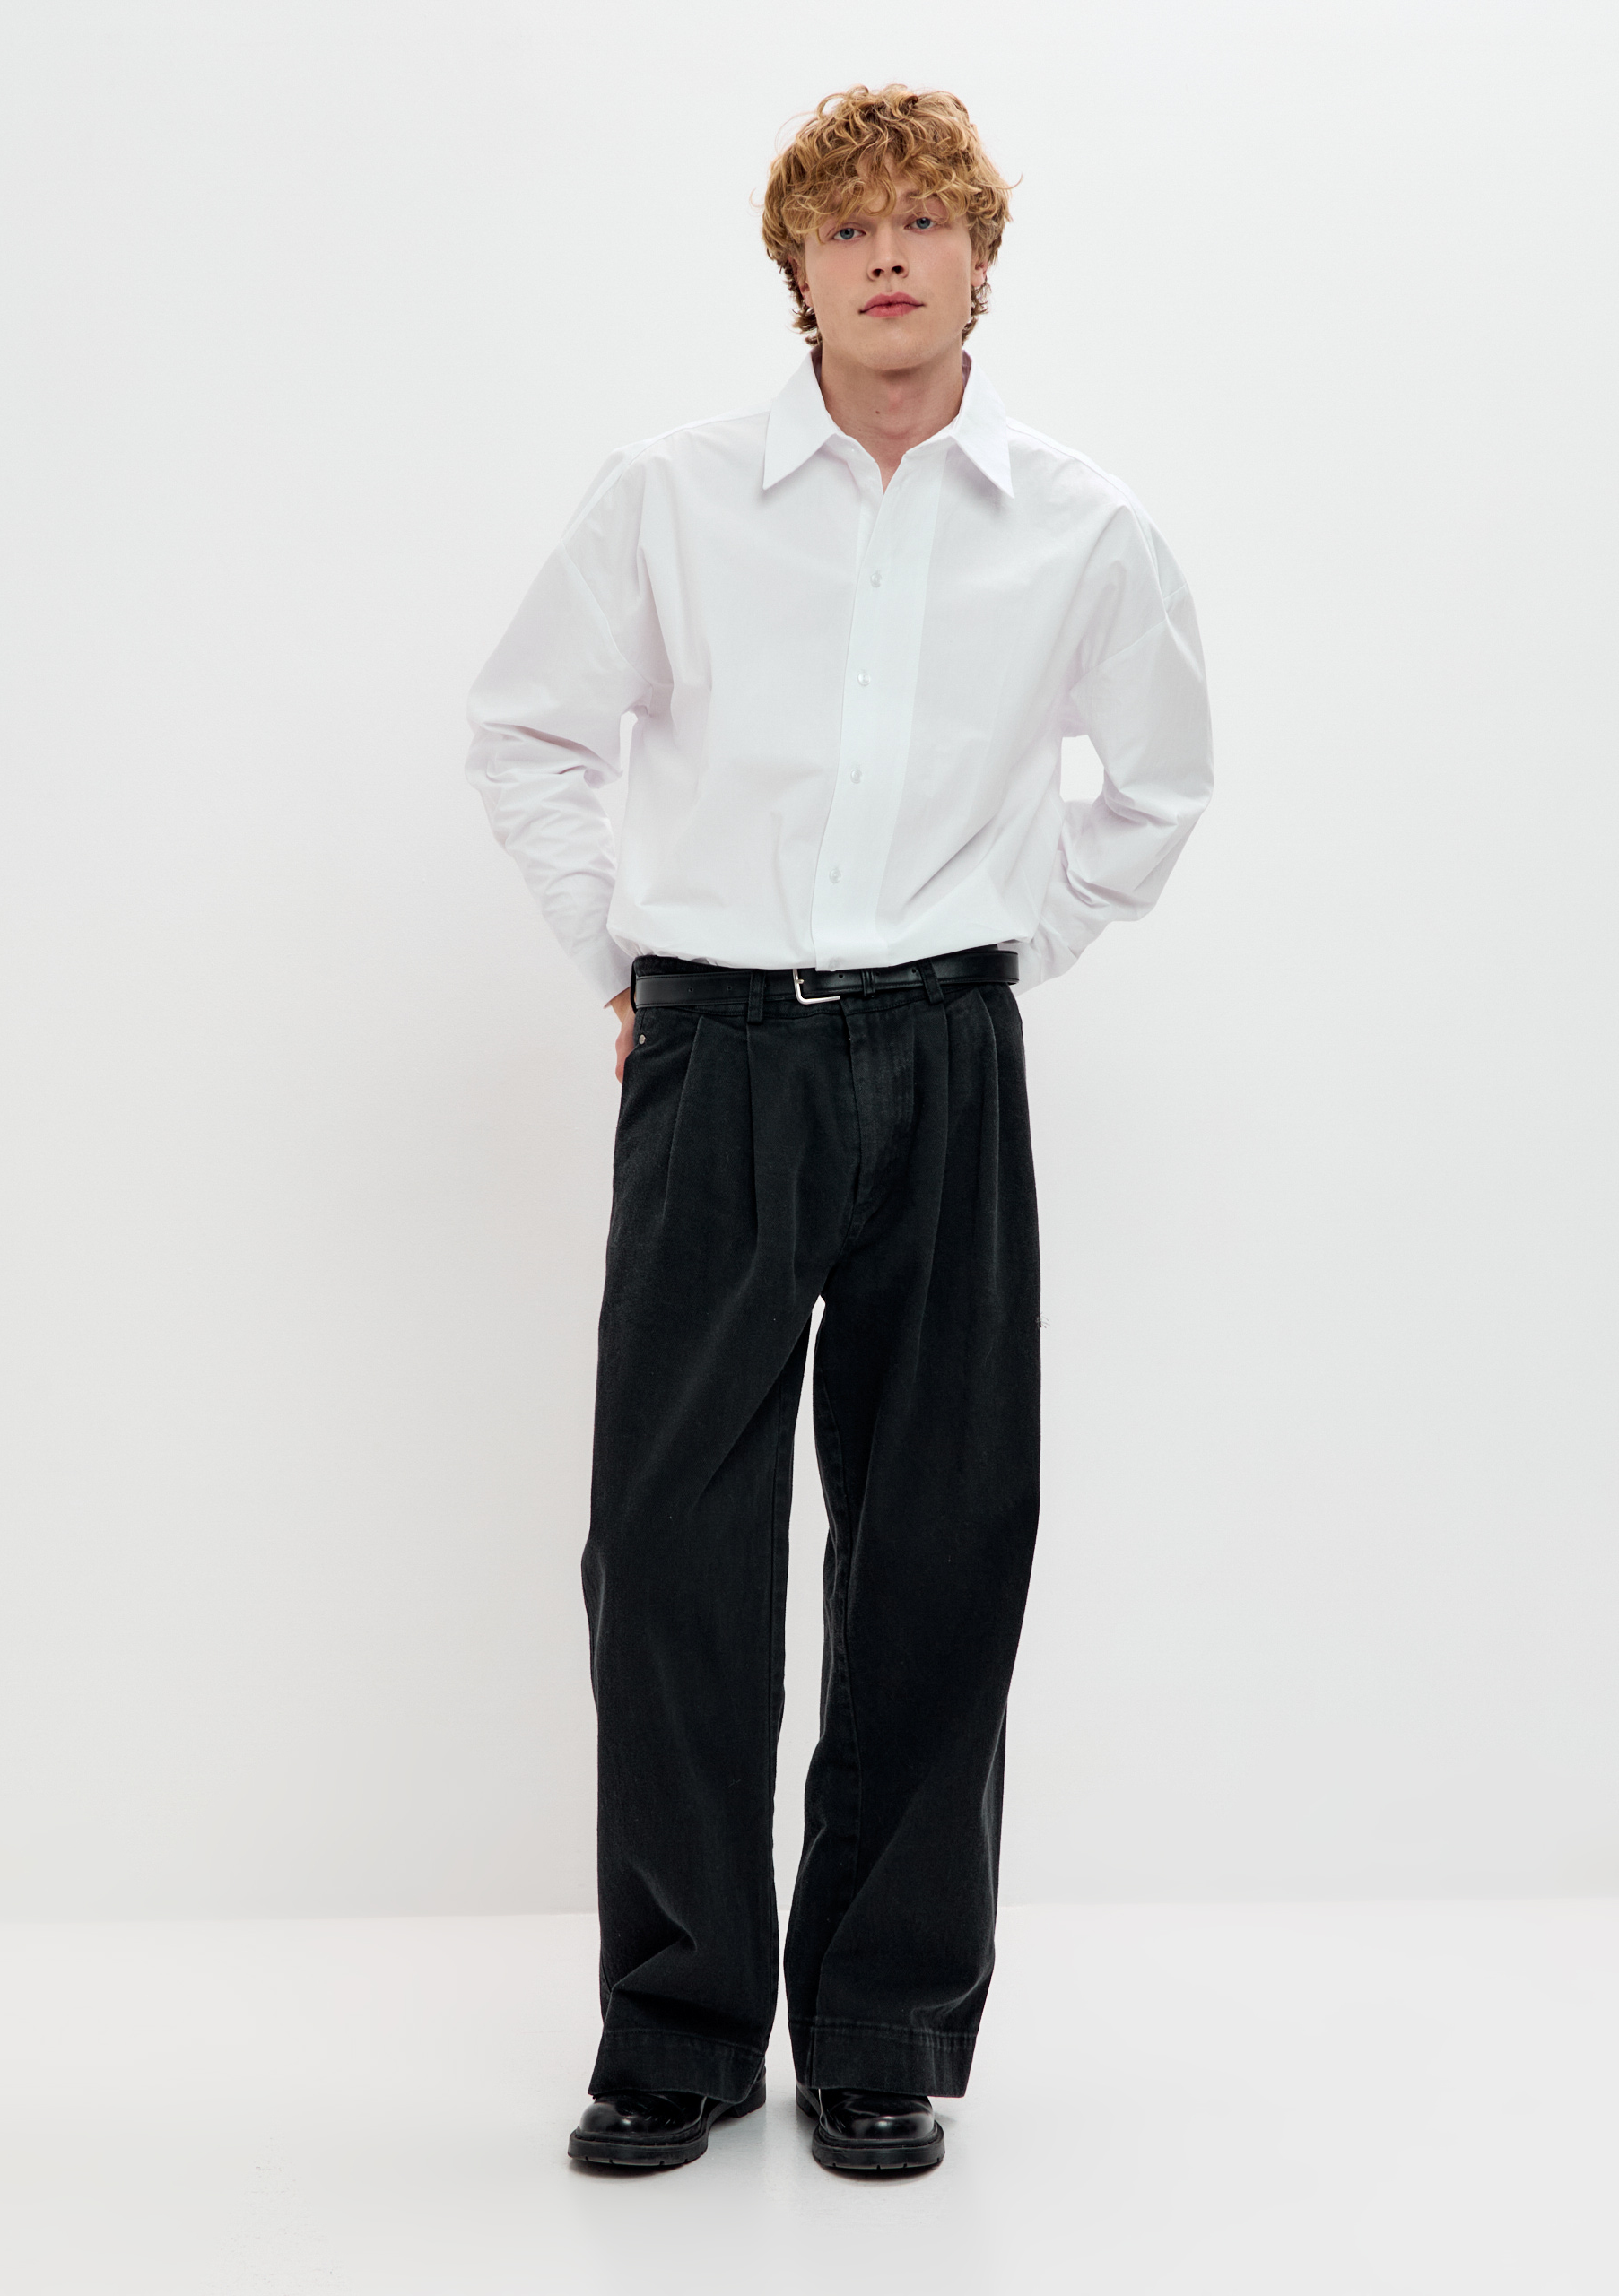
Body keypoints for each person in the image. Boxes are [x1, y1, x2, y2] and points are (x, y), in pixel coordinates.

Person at [466, 83, 1212, 2176]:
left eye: (923, 222)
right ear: (796, 271)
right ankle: (679, 2027)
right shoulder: (674, 496)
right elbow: (528, 730)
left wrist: (1000, 951)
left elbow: (1155, 786)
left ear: (981, 257)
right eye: (845, 227)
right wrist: (621, 956)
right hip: (715, 1052)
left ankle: (881, 2027)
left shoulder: (1081, 524)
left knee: (943, 1537)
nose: (887, 254)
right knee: (671, 1543)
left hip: (946, 1053)